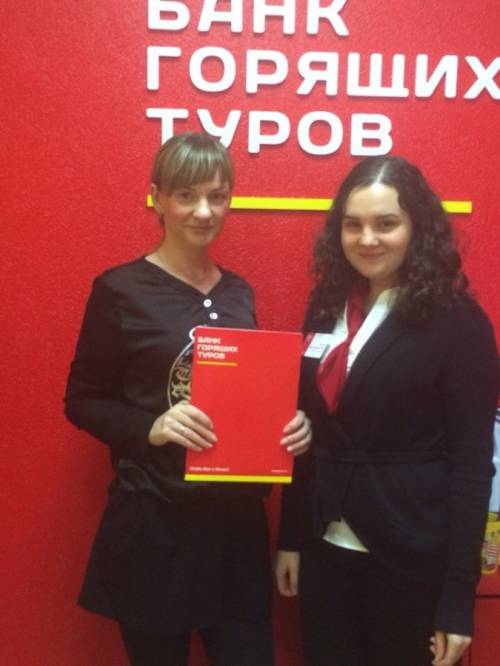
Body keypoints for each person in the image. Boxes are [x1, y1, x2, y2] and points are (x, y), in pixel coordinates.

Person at [64, 132, 311, 666]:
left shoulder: (239, 292)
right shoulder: (119, 290)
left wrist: (288, 424)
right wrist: (150, 427)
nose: (204, 211)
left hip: (235, 532)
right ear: (157, 198)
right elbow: (81, 401)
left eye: (217, 196)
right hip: (155, 528)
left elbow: (250, 397)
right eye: (186, 195)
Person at [275, 156, 499, 666]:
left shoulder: (458, 322)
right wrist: (290, 538)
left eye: (385, 223)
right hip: (325, 550)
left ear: (417, 228)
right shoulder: (325, 306)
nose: (367, 239)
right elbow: (305, 435)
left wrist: (458, 596)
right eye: (353, 225)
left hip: (411, 558)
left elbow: (472, 465)